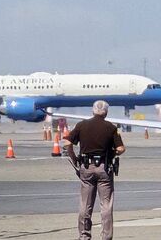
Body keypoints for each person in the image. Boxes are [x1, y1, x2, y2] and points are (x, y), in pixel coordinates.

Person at [63, 100, 126, 240]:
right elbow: (121, 149)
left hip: (86, 167)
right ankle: (106, 236)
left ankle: (84, 235)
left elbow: (67, 143)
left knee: (85, 204)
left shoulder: (81, 125)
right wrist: (111, 154)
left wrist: (74, 158)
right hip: (104, 168)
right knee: (106, 205)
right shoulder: (111, 127)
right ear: (106, 112)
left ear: (93, 110)